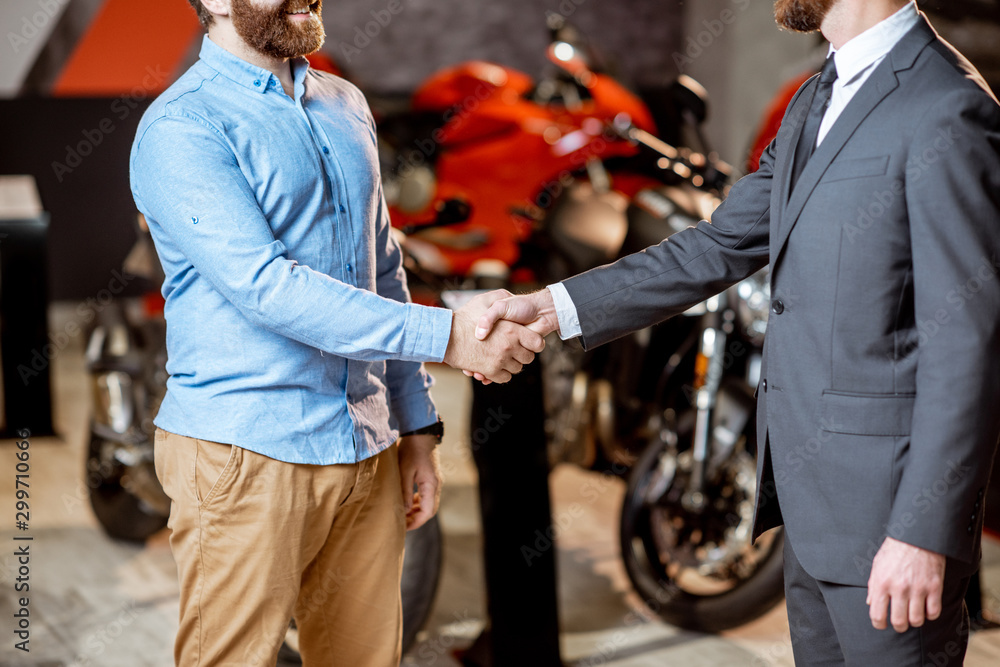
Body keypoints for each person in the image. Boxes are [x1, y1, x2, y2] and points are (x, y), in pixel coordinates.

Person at [475, 1, 1000, 663]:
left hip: (890, 526)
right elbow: (715, 246)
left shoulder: (947, 106)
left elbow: (969, 345)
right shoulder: (819, 94)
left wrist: (925, 533)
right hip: (810, 516)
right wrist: (552, 308)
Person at [129, 1, 543, 665]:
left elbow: (381, 266)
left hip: (365, 447)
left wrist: (415, 425)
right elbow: (267, 286)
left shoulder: (343, 103)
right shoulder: (182, 125)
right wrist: (449, 336)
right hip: (246, 456)